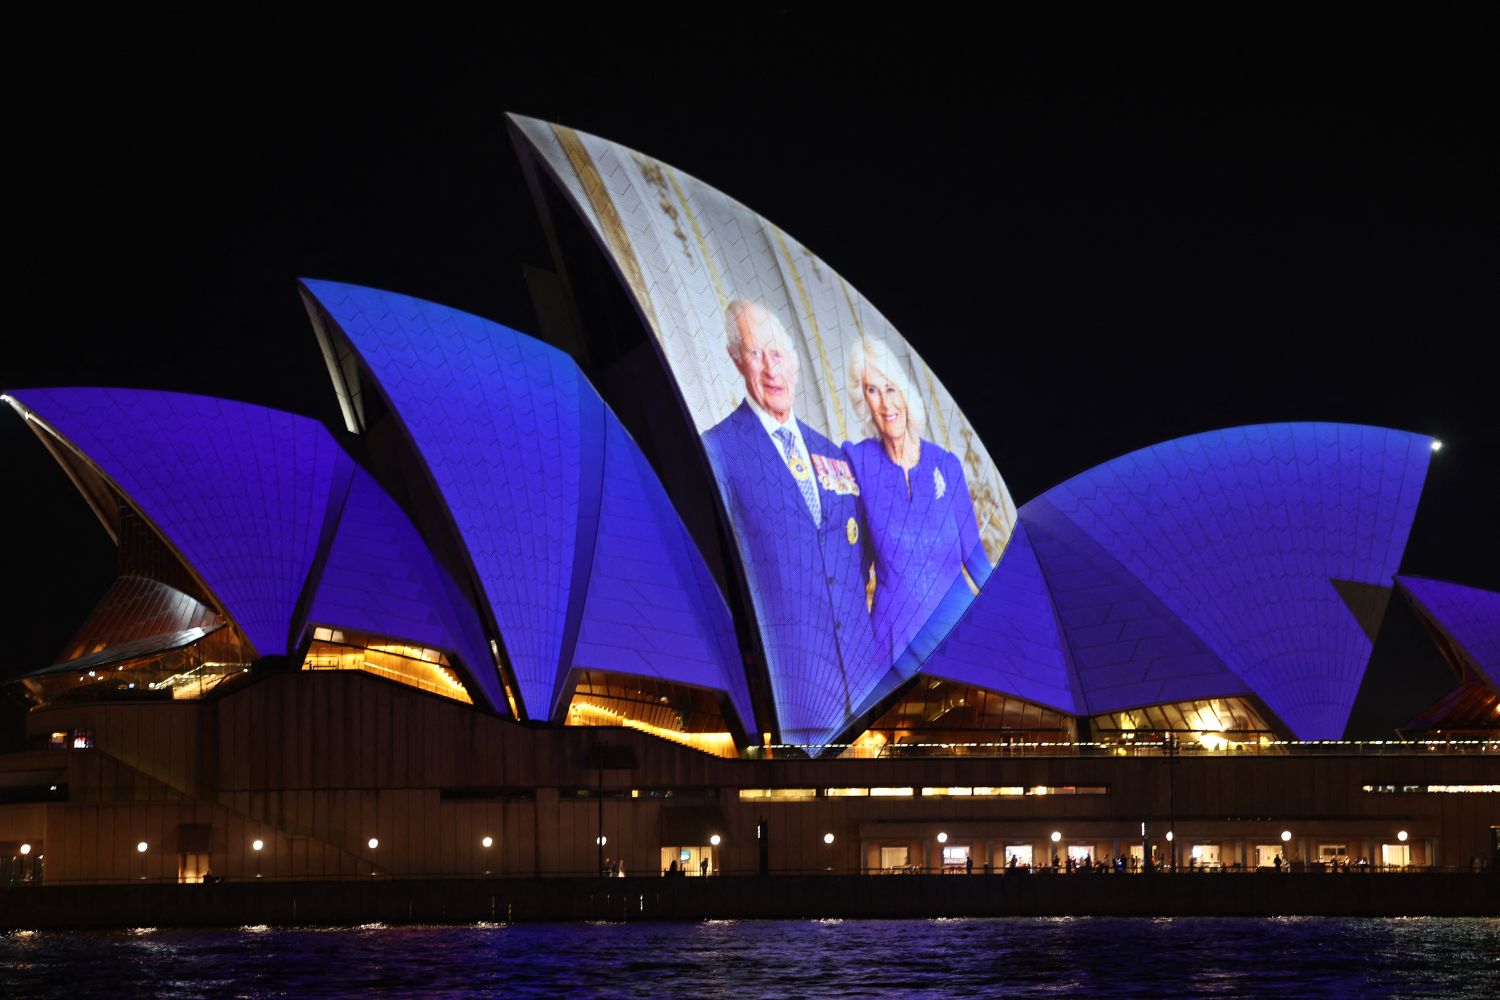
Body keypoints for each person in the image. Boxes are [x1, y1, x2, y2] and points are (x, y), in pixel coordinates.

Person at [701, 300, 881, 742]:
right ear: (735, 358)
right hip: (789, 701)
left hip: (865, 698)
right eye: (757, 353)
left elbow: (856, 567)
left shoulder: (835, 456)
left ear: (797, 361)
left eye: (778, 353)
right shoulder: (718, 451)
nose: (770, 369)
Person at [843, 338, 989, 675]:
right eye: (872, 390)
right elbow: (855, 567)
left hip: (957, 638)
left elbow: (977, 562)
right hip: (893, 652)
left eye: (891, 388)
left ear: (906, 393)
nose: (884, 403)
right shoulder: (858, 461)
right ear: (862, 399)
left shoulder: (947, 465)